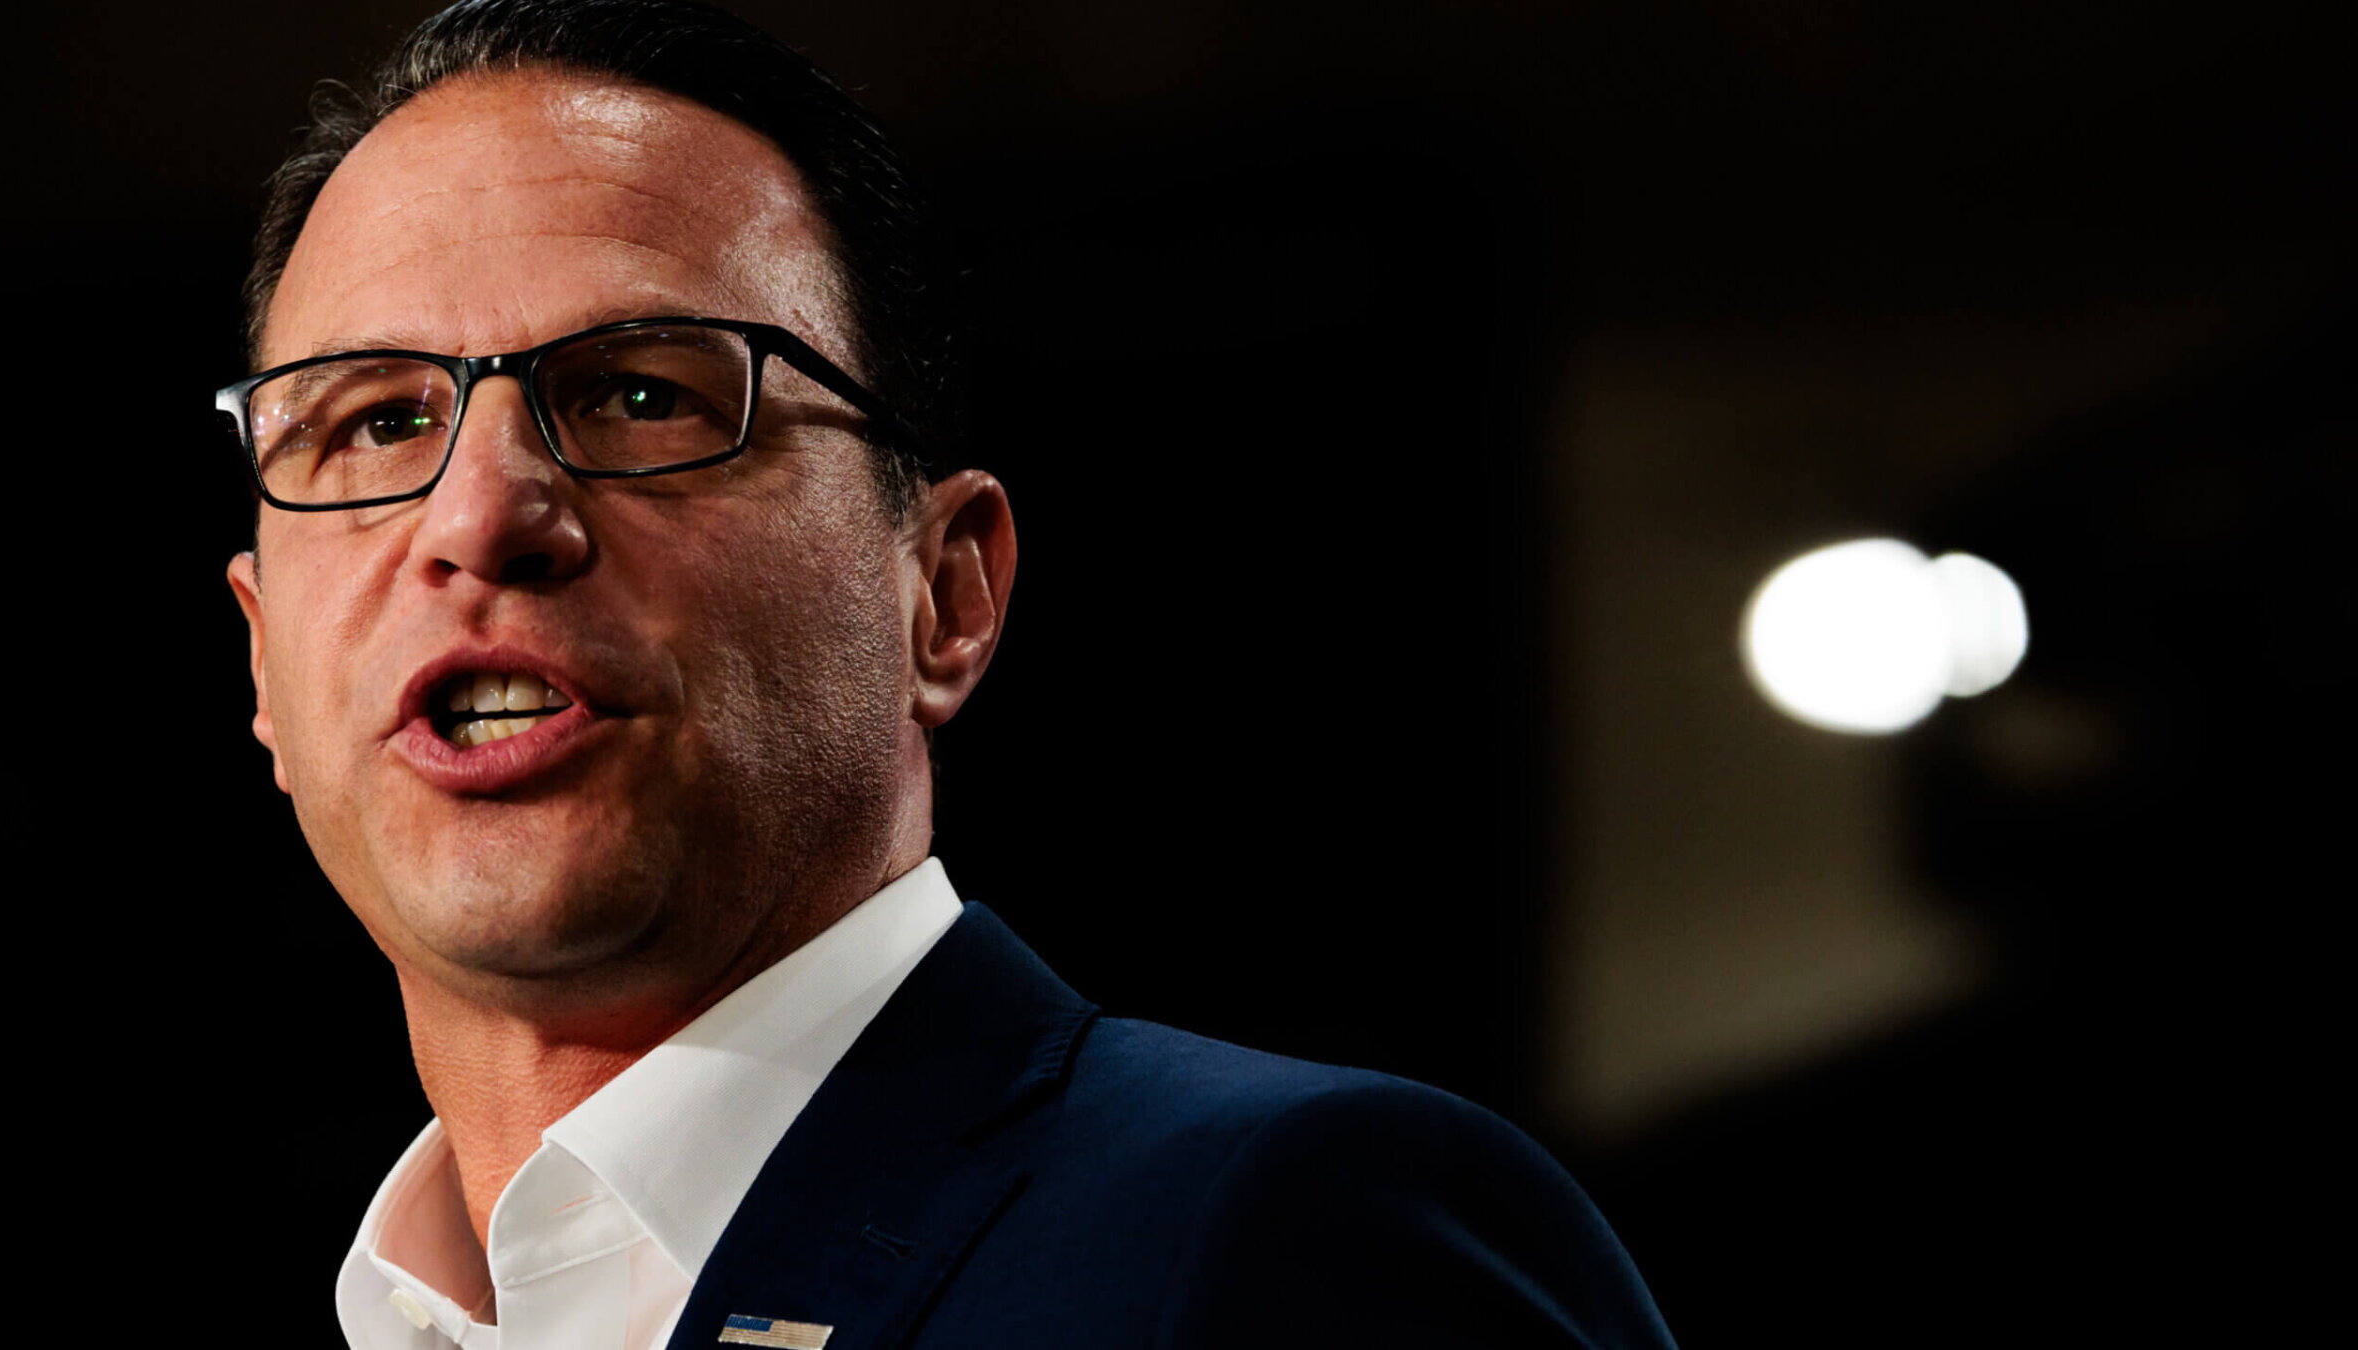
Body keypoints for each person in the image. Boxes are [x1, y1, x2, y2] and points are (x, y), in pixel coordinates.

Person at [219, 2, 1675, 1346]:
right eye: (373, 423)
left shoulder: (1291, 1231)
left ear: (945, 593)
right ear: (263, 660)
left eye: (646, 394)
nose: (480, 516)